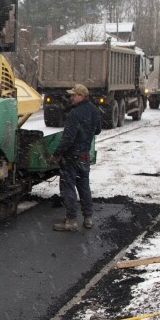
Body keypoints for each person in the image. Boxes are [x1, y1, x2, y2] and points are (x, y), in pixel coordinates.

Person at [48, 84, 101, 232]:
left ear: (82, 96)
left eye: (73, 95)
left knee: (68, 187)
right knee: (84, 186)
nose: (71, 97)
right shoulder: (95, 111)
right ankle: (88, 218)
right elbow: (97, 130)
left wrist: (57, 154)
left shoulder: (74, 113)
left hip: (71, 156)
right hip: (84, 155)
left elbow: (68, 138)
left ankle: (71, 220)